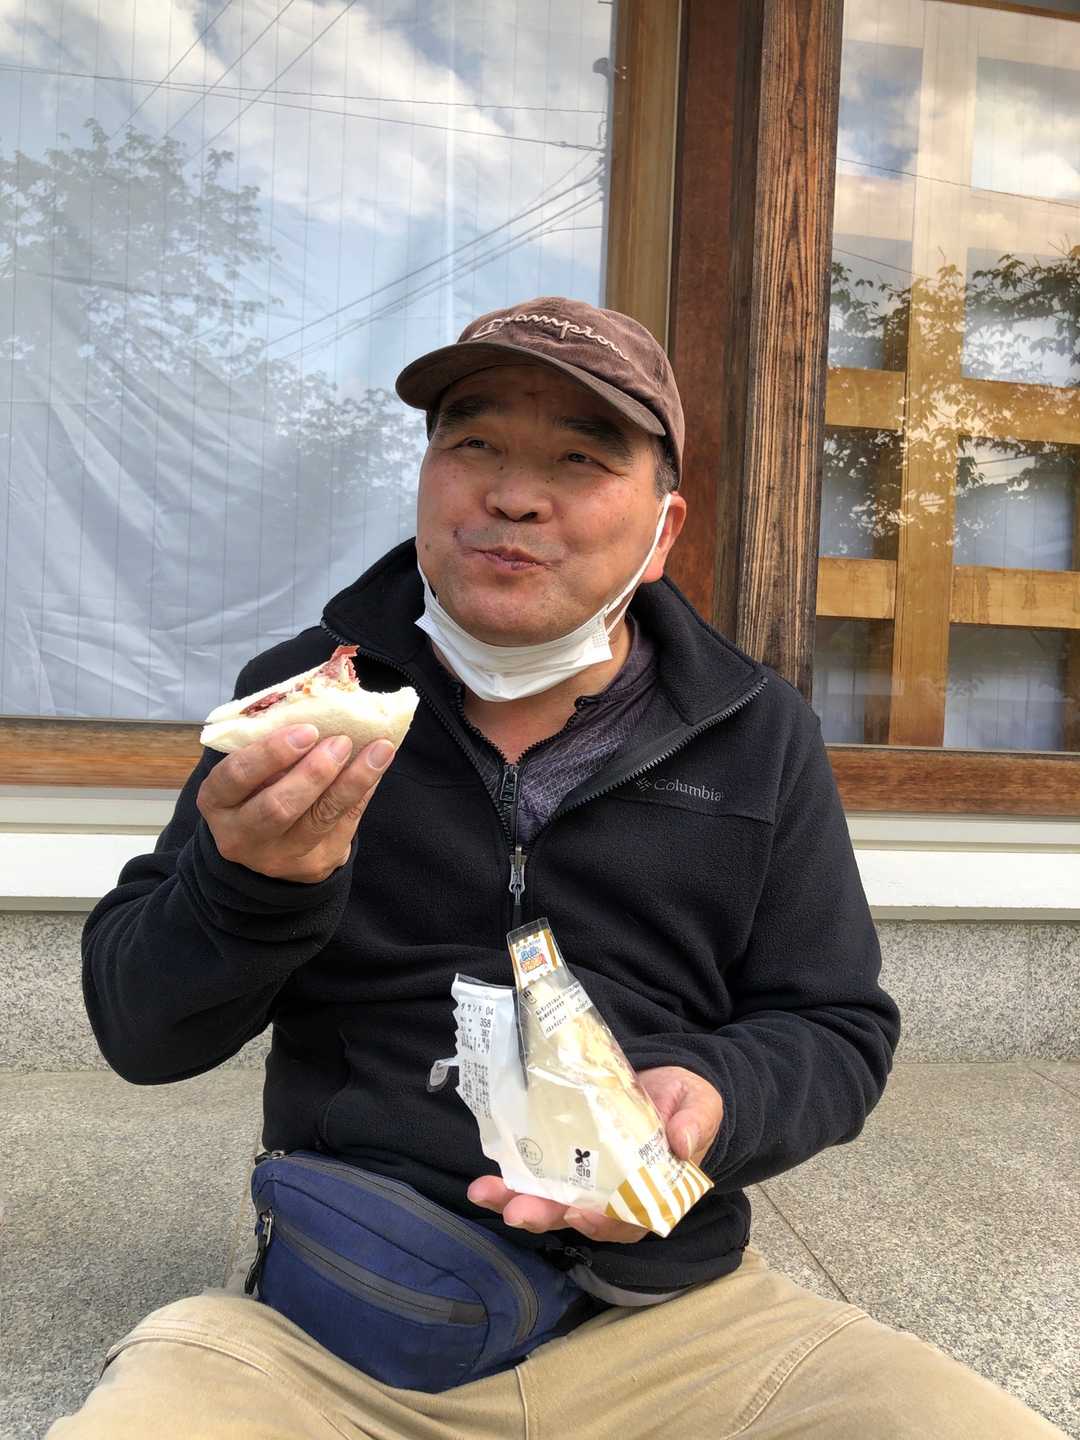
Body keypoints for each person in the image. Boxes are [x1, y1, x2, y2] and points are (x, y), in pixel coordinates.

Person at [53, 298, 1065, 1438]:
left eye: (580, 458)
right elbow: (142, 1035)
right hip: (343, 1318)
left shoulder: (755, 729)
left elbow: (836, 1024)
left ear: (664, 529)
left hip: (685, 1324)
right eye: (474, 442)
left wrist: (713, 1102)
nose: (514, 496)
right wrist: (251, 885)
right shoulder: (307, 701)